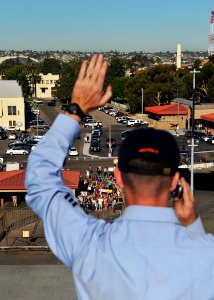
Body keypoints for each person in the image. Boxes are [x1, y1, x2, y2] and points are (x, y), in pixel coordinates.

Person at [25, 54, 214, 300]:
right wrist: (193, 230)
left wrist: (76, 110)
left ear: (118, 177)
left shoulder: (89, 244)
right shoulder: (206, 255)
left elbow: (40, 180)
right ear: (176, 182)